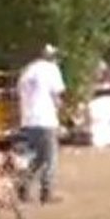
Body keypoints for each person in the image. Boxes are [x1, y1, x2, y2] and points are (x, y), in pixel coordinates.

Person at [17, 44, 66, 203]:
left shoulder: (27, 71)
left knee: (38, 157)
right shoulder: (51, 69)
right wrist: (63, 117)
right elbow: (56, 96)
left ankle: (23, 185)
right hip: (45, 119)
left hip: (27, 120)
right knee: (50, 157)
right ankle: (47, 191)